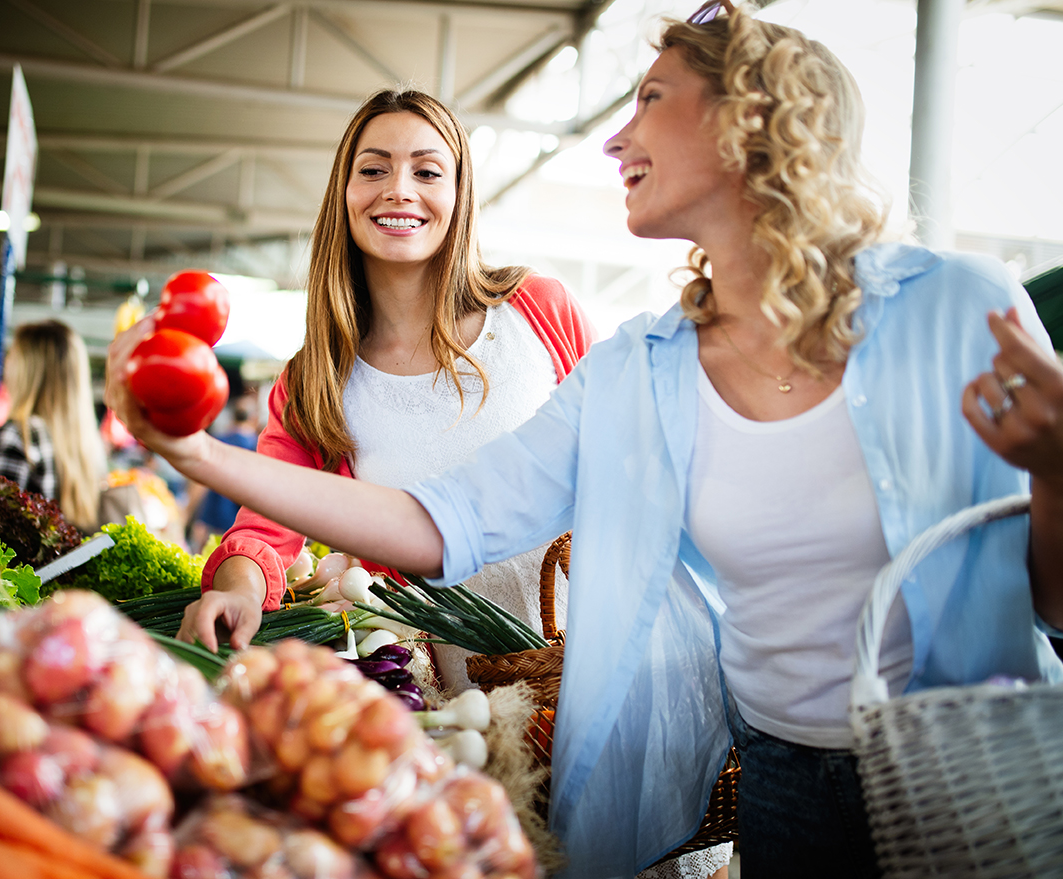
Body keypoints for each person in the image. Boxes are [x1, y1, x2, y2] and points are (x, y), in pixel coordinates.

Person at [105, 3, 1063, 875]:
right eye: (375, 166)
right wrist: (195, 453)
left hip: (973, 774)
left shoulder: (958, 311)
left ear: (749, 120)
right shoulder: (645, 370)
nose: (615, 135)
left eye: (650, 98)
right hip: (772, 778)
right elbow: (443, 522)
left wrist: (1058, 469)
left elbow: (1049, 601)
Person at [178, 89, 596, 698]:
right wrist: (236, 592)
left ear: (459, 195)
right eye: (373, 169)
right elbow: (264, 529)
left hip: (588, 679)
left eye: (427, 171)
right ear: (343, 194)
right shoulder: (317, 379)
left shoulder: (539, 312)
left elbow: (624, 461)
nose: (399, 189)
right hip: (453, 714)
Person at [0, 319, 107, 533]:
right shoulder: (87, 444)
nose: (6, 364)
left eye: (13, 356)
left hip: (22, 567)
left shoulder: (18, 437)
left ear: (28, 371)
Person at [186, 396, 260, 549]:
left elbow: (199, 484)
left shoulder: (218, 442)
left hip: (211, 520)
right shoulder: (258, 447)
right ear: (254, 418)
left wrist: (190, 515)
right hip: (239, 526)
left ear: (233, 416)